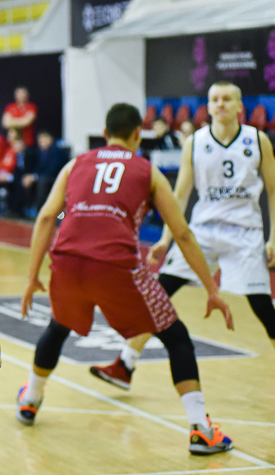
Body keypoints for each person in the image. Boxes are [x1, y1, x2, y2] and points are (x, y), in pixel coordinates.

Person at [17, 103, 235, 456]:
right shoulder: (148, 171)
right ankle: (201, 429)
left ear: (105, 134)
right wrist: (211, 288)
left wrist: (31, 278)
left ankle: (30, 399)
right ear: (138, 134)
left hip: (67, 262)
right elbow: (181, 233)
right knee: (176, 337)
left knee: (58, 326)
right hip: (116, 266)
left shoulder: (75, 164)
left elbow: (45, 218)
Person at [91, 81, 275, 390]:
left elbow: (273, 190)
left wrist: (273, 238)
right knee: (159, 293)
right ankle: (125, 364)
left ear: (239, 106)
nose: (220, 104)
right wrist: (166, 239)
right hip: (203, 232)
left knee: (262, 307)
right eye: (215, 99)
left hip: (245, 232)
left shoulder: (258, 140)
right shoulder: (195, 142)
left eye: (227, 99)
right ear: (209, 105)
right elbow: (179, 195)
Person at [19, 131, 67, 217]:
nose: (42, 143)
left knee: (42, 182)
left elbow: (53, 170)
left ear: (50, 139)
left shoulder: (57, 152)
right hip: (43, 176)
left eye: (44, 140)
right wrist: (32, 176)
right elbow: (37, 167)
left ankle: (40, 209)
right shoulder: (40, 152)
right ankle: (27, 207)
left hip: (56, 178)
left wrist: (36, 177)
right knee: (26, 179)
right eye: (40, 141)